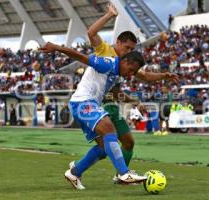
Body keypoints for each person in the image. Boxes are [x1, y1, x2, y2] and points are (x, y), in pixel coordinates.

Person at [83, 3, 179, 183]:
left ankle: (117, 176)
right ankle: (117, 174)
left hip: (110, 104)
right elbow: (91, 33)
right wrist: (109, 15)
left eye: (131, 50)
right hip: (97, 104)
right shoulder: (106, 51)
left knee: (127, 143)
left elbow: (144, 76)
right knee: (106, 147)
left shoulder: (127, 62)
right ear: (118, 42)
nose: (128, 52)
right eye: (126, 48)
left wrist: (164, 75)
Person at [40, 42, 147, 189]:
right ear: (125, 61)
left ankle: (75, 172)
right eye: (130, 69)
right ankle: (124, 173)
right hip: (82, 102)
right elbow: (81, 56)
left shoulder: (116, 73)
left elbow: (116, 92)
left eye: (133, 73)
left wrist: (134, 101)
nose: (130, 74)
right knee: (109, 128)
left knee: (104, 148)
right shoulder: (107, 63)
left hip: (88, 105)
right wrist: (57, 48)